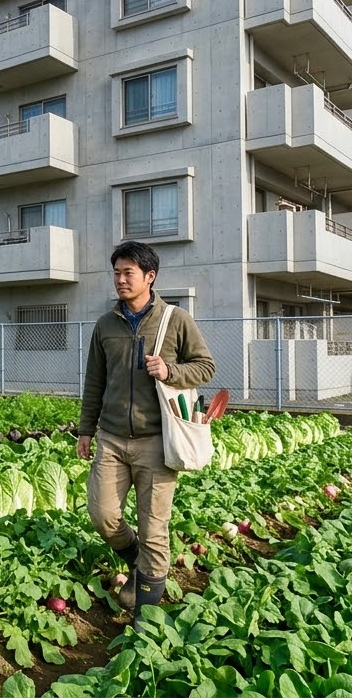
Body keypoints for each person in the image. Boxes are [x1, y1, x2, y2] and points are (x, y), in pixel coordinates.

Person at [76, 241, 215, 618]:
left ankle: (146, 615)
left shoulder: (175, 320)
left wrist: (172, 372)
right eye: (117, 273)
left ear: (149, 277)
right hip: (112, 438)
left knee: (154, 527)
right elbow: (95, 381)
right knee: (103, 515)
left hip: (158, 440)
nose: (120, 280)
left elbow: (205, 366)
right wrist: (86, 429)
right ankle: (140, 561)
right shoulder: (105, 325)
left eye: (128, 273)